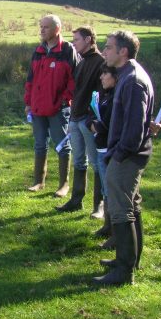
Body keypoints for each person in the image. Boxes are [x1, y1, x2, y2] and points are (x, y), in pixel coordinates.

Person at [93, 30, 154, 286]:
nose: (104, 51)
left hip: (127, 156)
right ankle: (129, 261)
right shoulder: (129, 75)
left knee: (121, 210)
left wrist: (116, 155)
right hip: (127, 153)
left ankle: (123, 271)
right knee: (132, 206)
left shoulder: (132, 80)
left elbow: (134, 128)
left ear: (123, 51)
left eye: (108, 47)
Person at [24, 14, 78, 197]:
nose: (42, 30)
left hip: (58, 109)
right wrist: (28, 103)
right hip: (37, 108)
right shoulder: (38, 51)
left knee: (63, 145)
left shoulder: (68, 50)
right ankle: (38, 181)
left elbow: (74, 80)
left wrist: (63, 100)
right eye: (41, 27)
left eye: (45, 27)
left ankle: (64, 185)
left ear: (57, 29)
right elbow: (30, 79)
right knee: (40, 144)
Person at [56, 26, 105, 216]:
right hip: (75, 118)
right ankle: (76, 200)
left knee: (96, 162)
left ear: (88, 40)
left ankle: (98, 206)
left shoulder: (100, 62)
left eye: (76, 39)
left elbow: (101, 95)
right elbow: (76, 90)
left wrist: (91, 119)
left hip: (88, 120)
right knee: (78, 161)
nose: (73, 42)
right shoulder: (82, 62)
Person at [86, 65, 117, 249]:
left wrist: (98, 126)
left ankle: (114, 232)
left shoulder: (115, 98)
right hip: (99, 149)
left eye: (105, 74)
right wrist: (92, 124)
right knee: (106, 190)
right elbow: (92, 114)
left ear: (115, 77)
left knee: (111, 192)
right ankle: (107, 226)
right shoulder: (103, 95)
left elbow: (109, 123)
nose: (102, 77)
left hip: (108, 149)